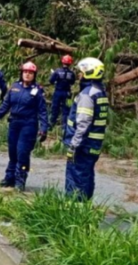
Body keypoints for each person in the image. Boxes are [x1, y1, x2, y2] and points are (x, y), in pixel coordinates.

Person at [0, 61, 48, 192]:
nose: (27, 75)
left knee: (22, 152)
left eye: (30, 73)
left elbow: (43, 111)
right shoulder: (15, 87)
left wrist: (44, 128)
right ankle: (9, 178)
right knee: (12, 153)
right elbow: (6, 105)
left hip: (28, 125)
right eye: (25, 72)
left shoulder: (38, 91)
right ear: (21, 73)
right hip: (14, 124)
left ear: (34, 75)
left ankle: (20, 181)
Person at [63, 57, 109, 200]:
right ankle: (84, 210)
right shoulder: (100, 92)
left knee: (76, 178)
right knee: (87, 176)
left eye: (81, 72)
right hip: (94, 145)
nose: (79, 75)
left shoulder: (87, 95)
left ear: (89, 73)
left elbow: (83, 124)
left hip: (83, 146)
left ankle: (74, 213)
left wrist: (73, 146)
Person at [48, 55, 77, 130]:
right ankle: (65, 126)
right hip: (68, 94)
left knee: (54, 108)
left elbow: (51, 81)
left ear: (62, 62)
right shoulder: (72, 73)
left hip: (57, 93)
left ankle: (51, 124)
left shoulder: (57, 71)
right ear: (70, 63)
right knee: (67, 109)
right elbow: (73, 82)